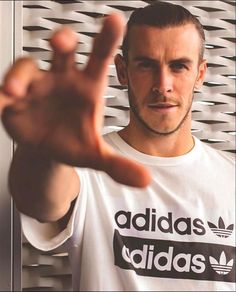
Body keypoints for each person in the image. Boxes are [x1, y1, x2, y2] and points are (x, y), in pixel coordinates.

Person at [0, 1, 235, 291]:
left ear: (200, 74)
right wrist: (44, 150)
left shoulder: (231, 176)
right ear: (122, 72)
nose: (163, 84)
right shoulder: (87, 166)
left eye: (178, 66)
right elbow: (40, 200)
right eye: (146, 65)